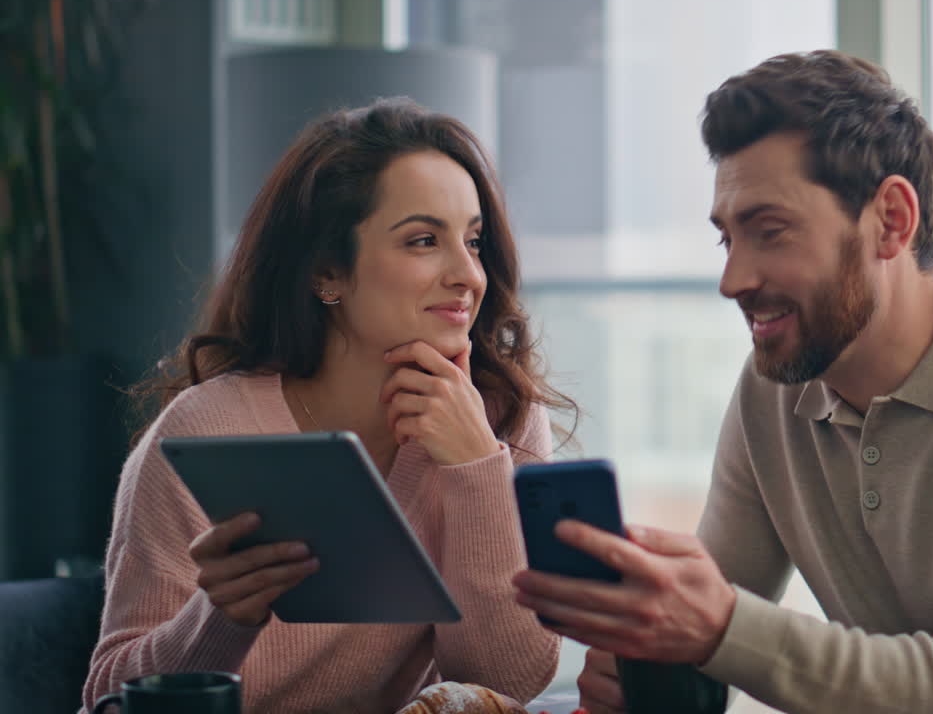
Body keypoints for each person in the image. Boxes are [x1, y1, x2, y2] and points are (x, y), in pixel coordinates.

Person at [512, 50, 933, 713]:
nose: (733, 280)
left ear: (891, 222)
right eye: (728, 238)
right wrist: (648, 657)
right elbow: (707, 650)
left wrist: (719, 626)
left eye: (771, 231)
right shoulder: (775, 391)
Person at [82, 98, 570, 713]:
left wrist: (475, 470)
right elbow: (107, 698)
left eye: (473, 242)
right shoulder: (206, 429)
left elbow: (508, 682)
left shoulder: (500, 418)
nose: (468, 275)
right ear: (327, 274)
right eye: (424, 240)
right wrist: (220, 617)